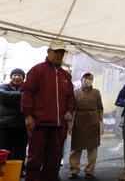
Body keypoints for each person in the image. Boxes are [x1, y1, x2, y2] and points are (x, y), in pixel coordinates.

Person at [21, 40, 74, 181]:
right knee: (35, 159)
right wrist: (28, 115)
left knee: (53, 160)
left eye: (62, 52)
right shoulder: (37, 70)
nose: (59, 55)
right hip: (39, 124)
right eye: (56, 51)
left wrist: (69, 111)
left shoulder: (65, 76)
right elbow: (27, 93)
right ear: (48, 51)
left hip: (57, 126)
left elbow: (70, 97)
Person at [68, 72, 104, 180]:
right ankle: (74, 170)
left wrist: (101, 122)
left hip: (93, 120)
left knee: (92, 147)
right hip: (79, 120)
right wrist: (70, 123)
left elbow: (100, 108)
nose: (87, 80)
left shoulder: (96, 92)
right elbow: (71, 108)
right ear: (81, 79)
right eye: (85, 78)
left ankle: (90, 170)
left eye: (90, 78)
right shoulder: (75, 92)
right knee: (76, 147)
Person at [0, 68, 28, 178]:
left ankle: (19, 169)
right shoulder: (4, 86)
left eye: (19, 75)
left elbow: (29, 99)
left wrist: (11, 99)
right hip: (5, 124)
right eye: (14, 75)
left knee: (20, 149)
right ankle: (3, 169)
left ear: (23, 78)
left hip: (21, 123)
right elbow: (3, 96)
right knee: (4, 148)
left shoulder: (27, 88)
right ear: (11, 77)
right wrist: (21, 95)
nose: (16, 77)